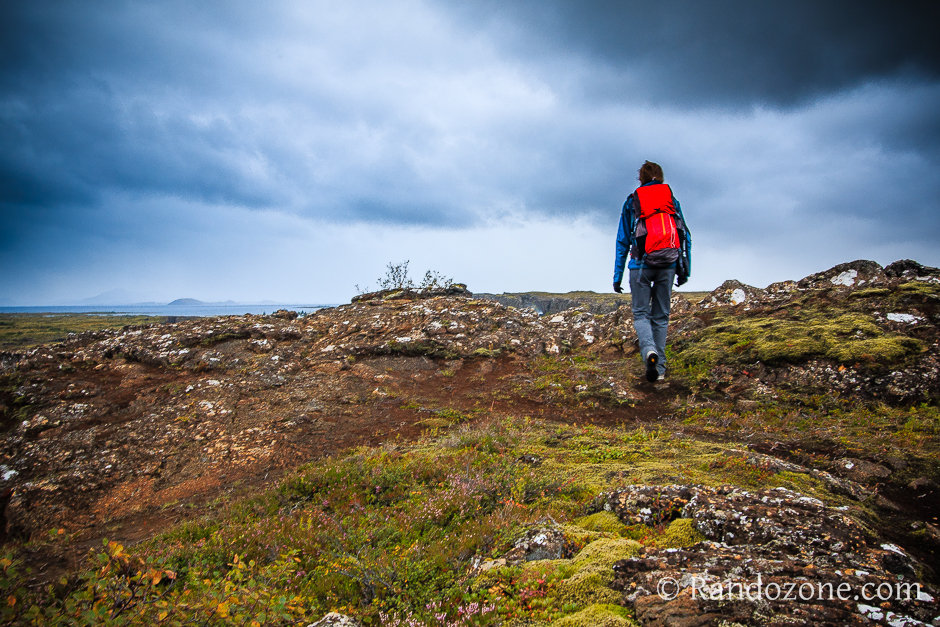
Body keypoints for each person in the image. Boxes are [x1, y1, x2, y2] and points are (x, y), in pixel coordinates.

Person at [612, 161, 690, 382]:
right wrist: (684, 270)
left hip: (640, 266)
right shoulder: (671, 200)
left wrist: (617, 276)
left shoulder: (632, 201)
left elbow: (622, 241)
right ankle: (661, 370)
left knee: (640, 314)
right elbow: (685, 236)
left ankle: (649, 351)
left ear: (641, 178)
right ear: (661, 177)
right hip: (668, 264)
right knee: (661, 316)